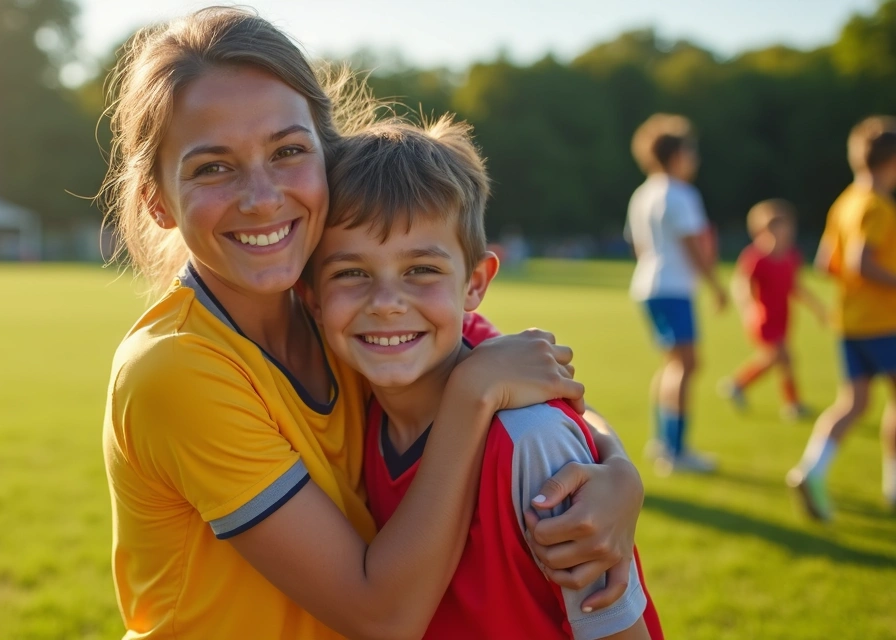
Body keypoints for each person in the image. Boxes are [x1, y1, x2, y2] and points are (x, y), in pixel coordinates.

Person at [101, 8, 645, 639]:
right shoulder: (175, 367)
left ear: (325, 159)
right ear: (157, 201)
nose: (262, 196)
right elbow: (381, 617)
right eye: (213, 167)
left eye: (288, 151)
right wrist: (472, 396)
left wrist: (616, 471)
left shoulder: (340, 310)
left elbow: (533, 378)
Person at [303, 117, 663, 639]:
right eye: (351, 273)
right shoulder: (352, 399)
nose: (385, 305)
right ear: (310, 298)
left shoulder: (534, 446)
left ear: (474, 283)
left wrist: (619, 467)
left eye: (421, 270)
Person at [787, 116, 896, 520]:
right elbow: (859, 261)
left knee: (854, 402)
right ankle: (893, 486)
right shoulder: (878, 206)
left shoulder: (846, 202)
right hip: (884, 323)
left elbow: (825, 264)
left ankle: (812, 470)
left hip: (850, 322)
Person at [625, 113, 727, 475]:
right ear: (677, 154)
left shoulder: (643, 193)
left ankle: (662, 442)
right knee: (686, 365)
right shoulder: (681, 194)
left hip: (648, 285)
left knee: (672, 364)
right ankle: (676, 450)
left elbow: (639, 246)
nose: (694, 158)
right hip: (673, 288)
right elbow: (694, 247)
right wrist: (717, 286)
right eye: (690, 150)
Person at [719, 199, 826, 420]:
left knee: (775, 359)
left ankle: (738, 384)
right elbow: (741, 284)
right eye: (777, 226)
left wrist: (817, 307)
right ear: (762, 229)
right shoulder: (756, 257)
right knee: (784, 358)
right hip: (763, 317)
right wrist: (748, 308)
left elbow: (795, 287)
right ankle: (792, 405)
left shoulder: (791, 256)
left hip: (783, 317)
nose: (784, 231)